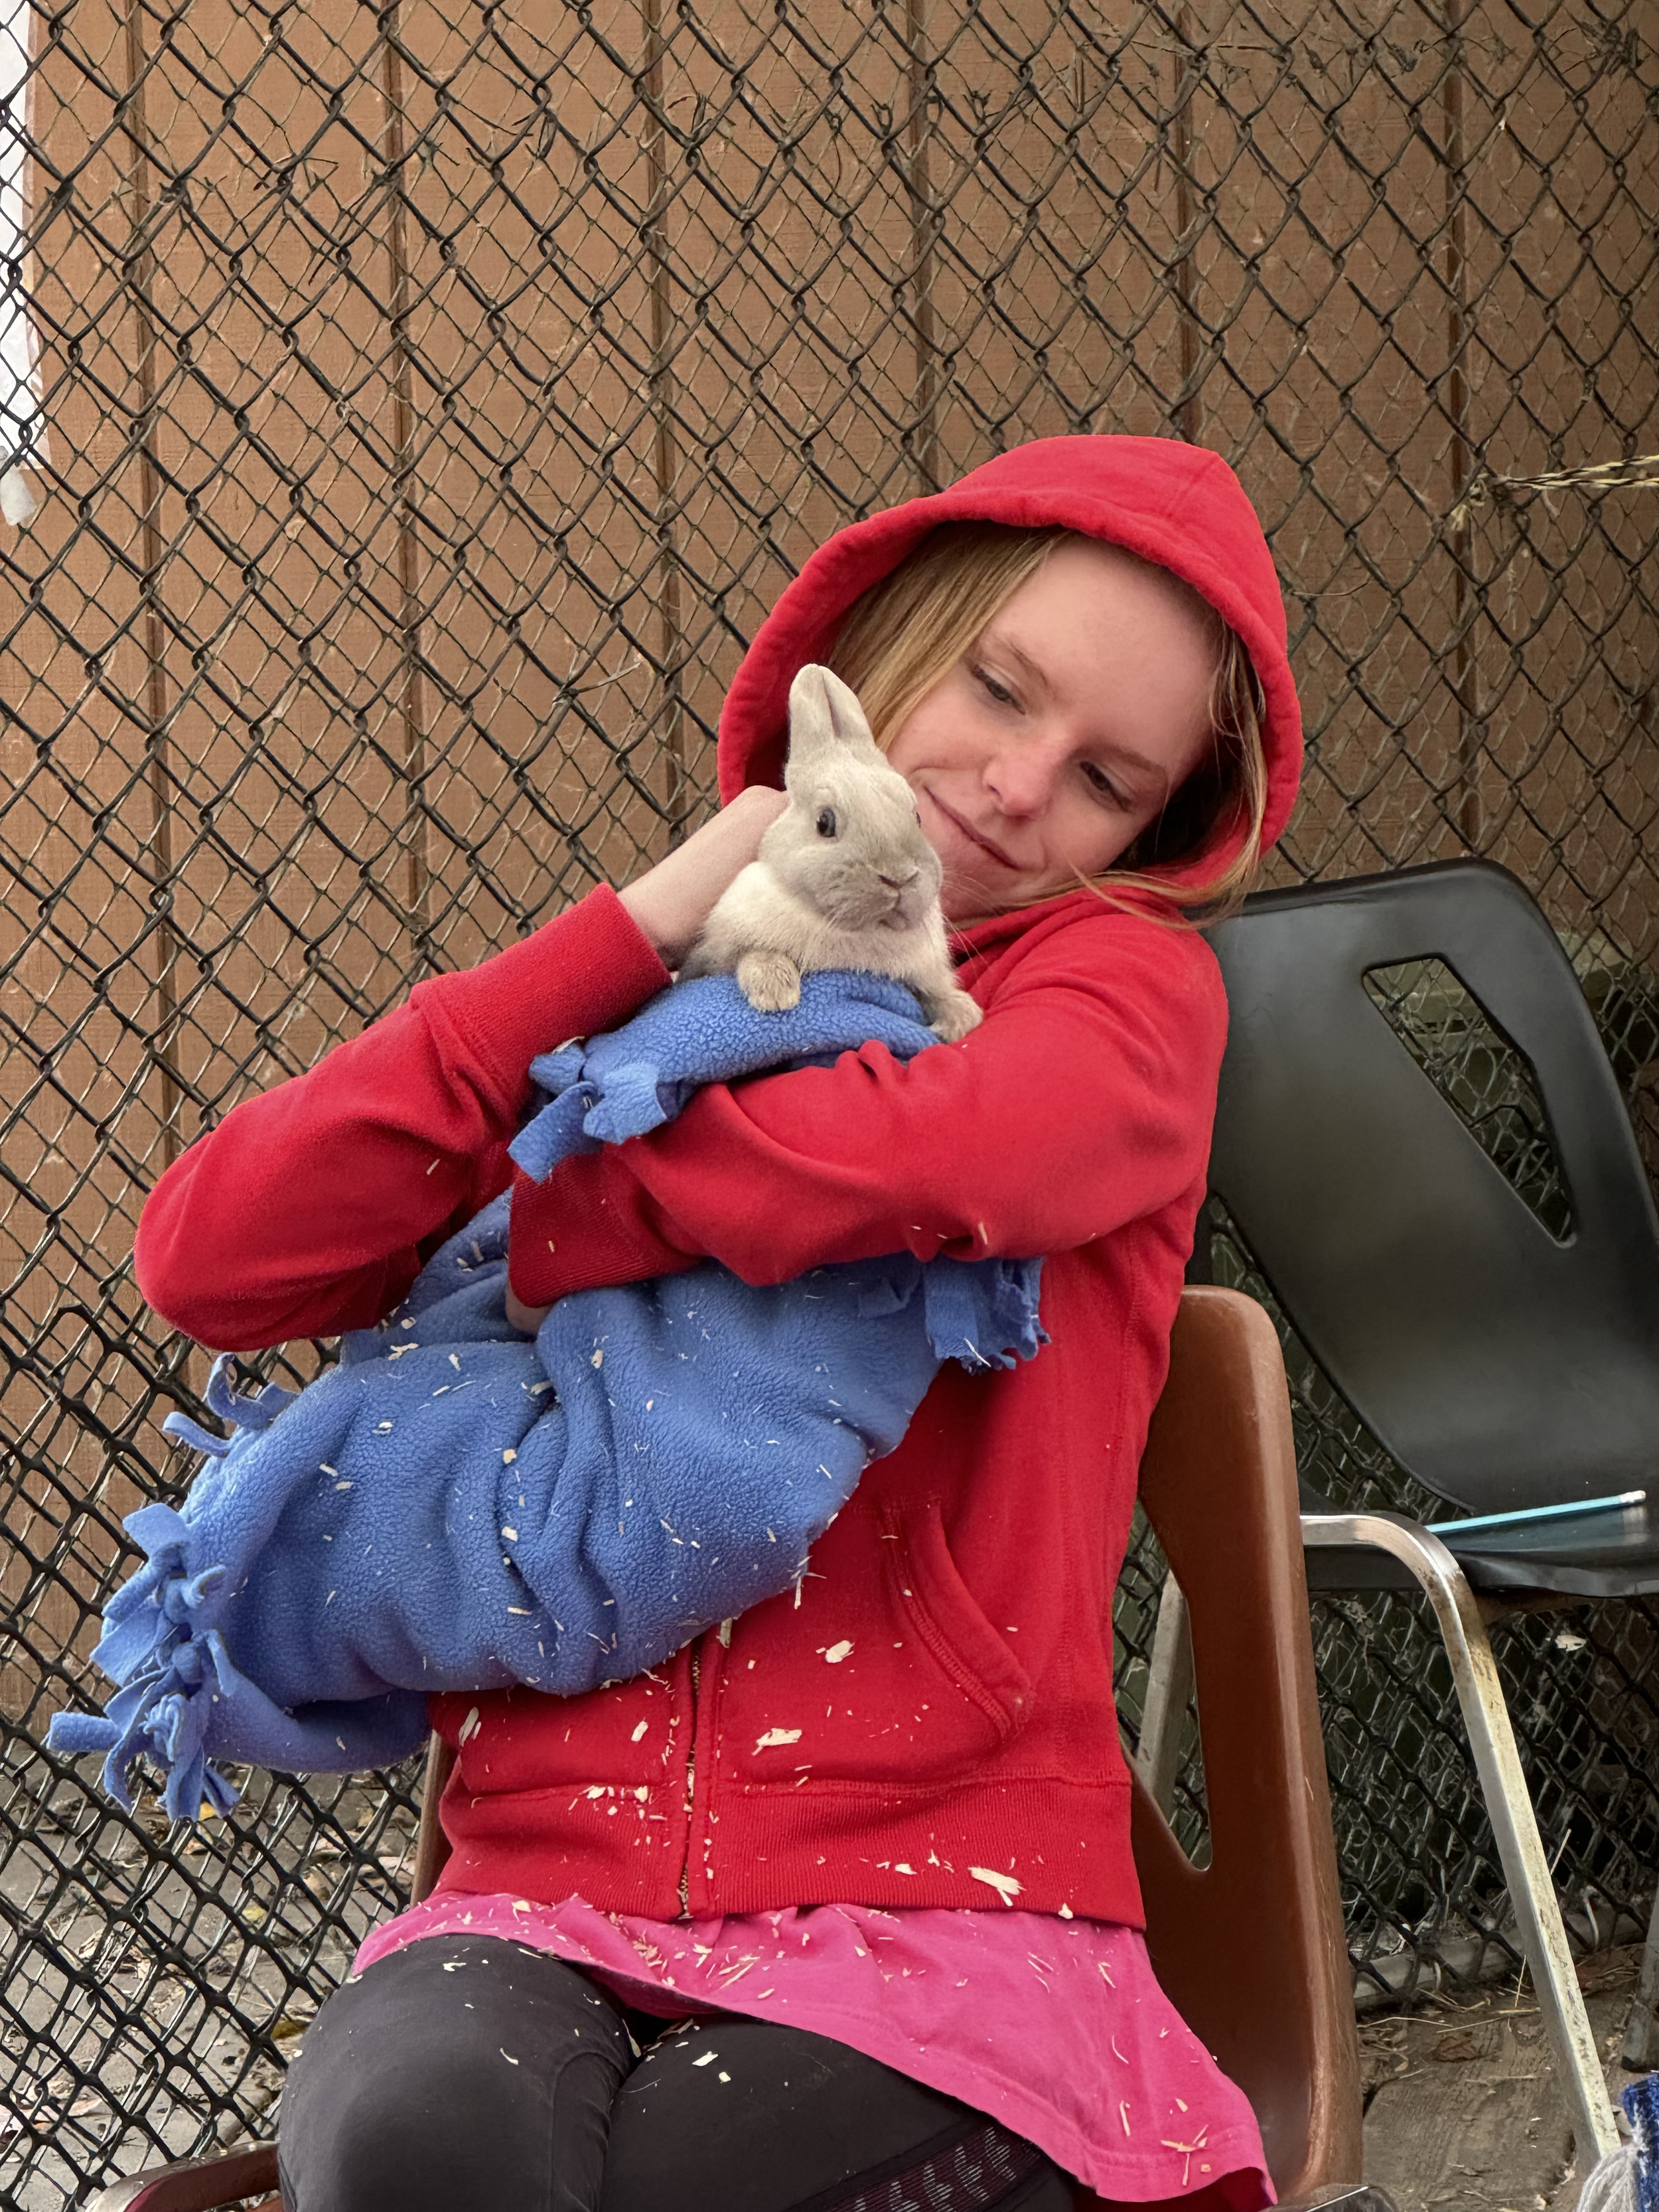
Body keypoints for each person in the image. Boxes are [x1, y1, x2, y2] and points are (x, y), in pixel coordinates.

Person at [135, 434, 1303, 2212]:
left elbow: (930, 1153)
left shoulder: (1118, 999)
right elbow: (217, 1256)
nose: (1013, 785)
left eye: (1102, 780)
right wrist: (636, 925)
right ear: (881, 652)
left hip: (952, 1908)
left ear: (1151, 833)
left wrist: (570, 1195)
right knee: (419, 2144)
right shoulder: (662, 1002)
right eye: (997, 687)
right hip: (544, 1891)